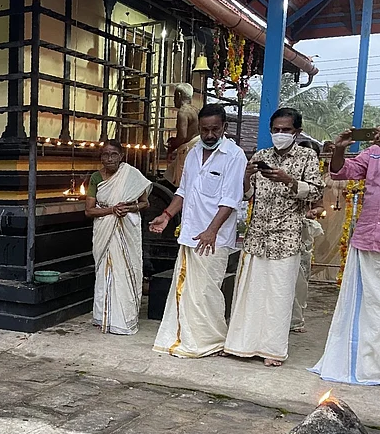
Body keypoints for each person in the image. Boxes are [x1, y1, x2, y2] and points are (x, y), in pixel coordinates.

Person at [223, 108, 324, 366]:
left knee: (278, 294)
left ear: (297, 132)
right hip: (257, 234)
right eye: (276, 130)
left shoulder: (306, 156)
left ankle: (273, 351)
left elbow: (315, 193)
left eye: (286, 130)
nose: (280, 134)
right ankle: (241, 345)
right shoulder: (261, 155)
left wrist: (289, 180)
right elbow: (246, 195)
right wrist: (246, 177)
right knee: (251, 291)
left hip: (287, 235)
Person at [150, 103, 247, 358]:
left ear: (224, 127)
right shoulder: (193, 153)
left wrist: (211, 230)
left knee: (206, 291)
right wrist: (166, 215)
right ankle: (185, 337)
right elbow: (183, 190)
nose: (210, 135)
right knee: (186, 289)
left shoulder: (235, 156)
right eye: (205, 130)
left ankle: (211, 340)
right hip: (190, 232)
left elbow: (231, 199)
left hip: (213, 238)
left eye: (215, 129)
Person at [311, 127, 380, 385]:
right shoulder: (373, 154)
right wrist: (339, 148)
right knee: (367, 306)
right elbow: (341, 171)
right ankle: (365, 364)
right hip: (368, 239)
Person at [86, 141, 152, 334]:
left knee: (125, 272)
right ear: (101, 157)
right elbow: (89, 211)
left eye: (113, 154)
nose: (109, 159)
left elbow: (144, 203)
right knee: (105, 274)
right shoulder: (96, 178)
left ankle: (124, 319)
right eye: (105, 155)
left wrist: (129, 208)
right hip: (104, 230)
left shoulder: (131, 175)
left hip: (126, 229)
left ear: (121, 156)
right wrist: (111, 210)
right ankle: (103, 317)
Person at [291, 139, 326, 333]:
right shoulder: (284, 175)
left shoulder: (315, 181)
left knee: (301, 277)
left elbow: (320, 205)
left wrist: (312, 213)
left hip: (303, 233)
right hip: (282, 232)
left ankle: (296, 320)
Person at [166, 83, 200, 187]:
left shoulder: (183, 112)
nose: (173, 100)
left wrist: (172, 147)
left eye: (174, 96)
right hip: (195, 148)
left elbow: (182, 137)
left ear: (179, 95)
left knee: (182, 183)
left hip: (188, 150)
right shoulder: (196, 110)